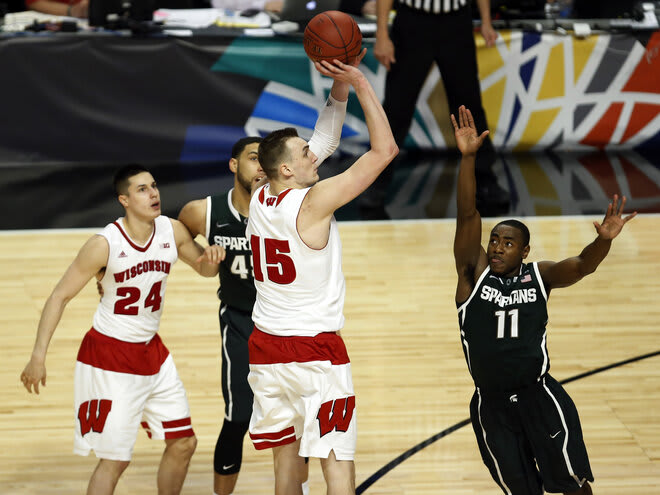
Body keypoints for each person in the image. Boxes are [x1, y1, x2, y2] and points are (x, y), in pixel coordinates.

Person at [451, 105, 636, 495]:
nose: (498, 247)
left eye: (508, 243)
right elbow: (468, 213)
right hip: (492, 405)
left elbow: (584, 265)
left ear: (525, 251)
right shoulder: (473, 275)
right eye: (495, 241)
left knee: (572, 484)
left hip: (540, 396)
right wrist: (468, 160)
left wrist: (602, 240)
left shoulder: (540, 276)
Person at [20, 165, 225, 495]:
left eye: (155, 186)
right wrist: (37, 357)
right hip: (109, 356)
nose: (154, 193)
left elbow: (205, 270)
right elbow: (59, 296)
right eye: (142, 189)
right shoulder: (104, 244)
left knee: (184, 442)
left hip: (152, 352)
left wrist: (212, 258)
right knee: (115, 460)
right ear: (124, 200)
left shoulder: (172, 231)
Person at [246, 54, 398, 494]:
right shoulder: (314, 203)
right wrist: (361, 83)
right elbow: (384, 150)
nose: (314, 153)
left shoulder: (260, 196)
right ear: (287, 170)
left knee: (287, 471)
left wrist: (339, 87)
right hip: (314, 352)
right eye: (303, 153)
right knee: (337, 469)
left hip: (266, 348)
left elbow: (323, 138)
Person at [360, 0, 507, 220]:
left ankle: (485, 180)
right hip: (413, 21)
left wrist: (486, 20)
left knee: (468, 106)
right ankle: (376, 182)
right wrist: (382, 33)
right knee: (397, 106)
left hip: (456, 21)